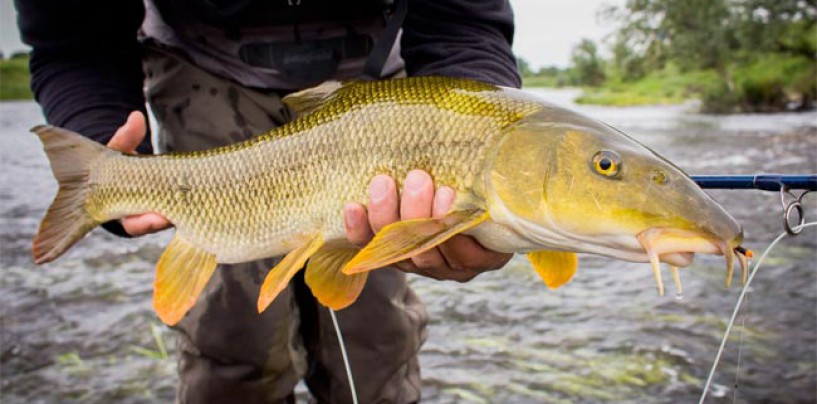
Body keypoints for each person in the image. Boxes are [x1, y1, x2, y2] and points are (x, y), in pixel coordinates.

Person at [16, 0, 521, 402]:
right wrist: (99, 129)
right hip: (203, 61)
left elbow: (463, 22)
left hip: (381, 81)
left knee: (373, 342)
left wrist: (469, 143)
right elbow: (73, 35)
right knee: (233, 336)